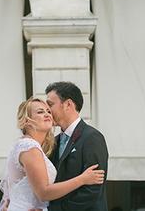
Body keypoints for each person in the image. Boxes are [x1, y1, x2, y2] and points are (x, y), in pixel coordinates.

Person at [0, 97, 105, 211]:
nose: (47, 114)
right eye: (40, 112)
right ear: (26, 120)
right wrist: (82, 179)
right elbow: (44, 192)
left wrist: (9, 202)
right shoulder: (29, 147)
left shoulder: (33, 147)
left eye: (48, 111)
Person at [46, 81, 109, 211]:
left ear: (68, 104)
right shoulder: (54, 141)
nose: (47, 110)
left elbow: (93, 189)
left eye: (50, 105)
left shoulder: (92, 137)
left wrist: (57, 209)